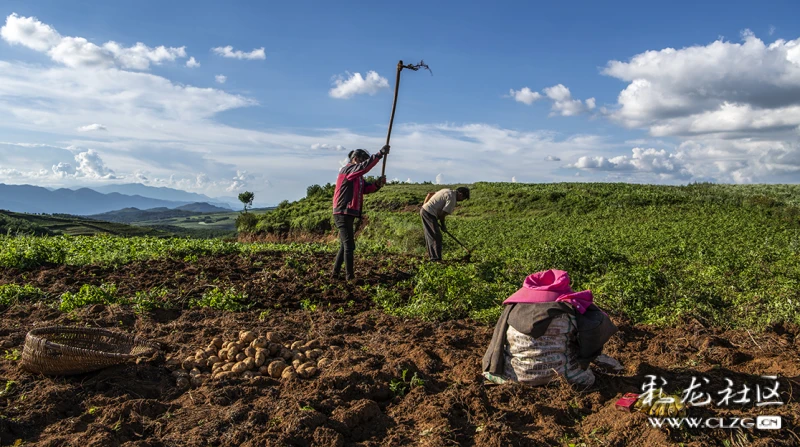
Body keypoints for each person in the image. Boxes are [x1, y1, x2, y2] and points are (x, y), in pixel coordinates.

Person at [482, 269, 621, 387]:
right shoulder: (569, 312)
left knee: (491, 373)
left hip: (517, 378)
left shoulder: (512, 310)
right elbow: (593, 335)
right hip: (564, 377)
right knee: (588, 379)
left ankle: (512, 377)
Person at [331, 145, 390, 280]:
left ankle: (335, 274)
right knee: (349, 245)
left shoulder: (357, 177)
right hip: (342, 212)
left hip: (348, 212)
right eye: (363, 160)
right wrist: (380, 154)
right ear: (355, 159)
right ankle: (349, 277)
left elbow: (366, 189)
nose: (363, 164)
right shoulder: (348, 170)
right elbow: (364, 167)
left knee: (345, 245)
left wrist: (377, 184)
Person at [420, 186, 470, 261]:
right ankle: (436, 259)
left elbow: (430, 194)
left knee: (431, 235)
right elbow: (442, 215)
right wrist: (443, 226)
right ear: (460, 194)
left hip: (427, 211)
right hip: (429, 213)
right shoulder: (452, 199)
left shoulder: (446, 190)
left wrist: (423, 206)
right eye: (463, 198)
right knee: (436, 236)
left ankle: (434, 257)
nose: (462, 200)